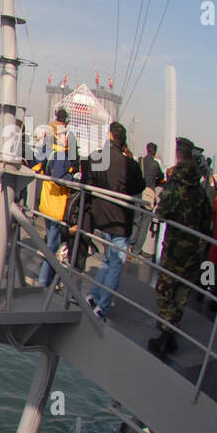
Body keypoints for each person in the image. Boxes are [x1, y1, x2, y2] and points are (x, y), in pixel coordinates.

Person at [149, 138, 212, 357]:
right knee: (181, 293)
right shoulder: (199, 190)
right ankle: (171, 332)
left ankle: (166, 333)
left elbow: (162, 213)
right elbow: (207, 223)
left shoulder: (175, 185)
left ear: (177, 154)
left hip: (175, 249)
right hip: (193, 253)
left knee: (165, 289)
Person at [79, 122, 145, 320]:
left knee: (108, 261)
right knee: (115, 265)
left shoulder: (98, 157)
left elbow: (88, 181)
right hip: (121, 221)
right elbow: (139, 186)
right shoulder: (130, 164)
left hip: (102, 217)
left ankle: (93, 295)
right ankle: (102, 306)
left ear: (110, 136)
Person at [31, 108, 78, 287]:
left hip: (47, 200)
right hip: (57, 205)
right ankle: (45, 280)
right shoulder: (61, 154)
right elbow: (60, 177)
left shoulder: (48, 142)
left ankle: (48, 279)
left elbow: (38, 164)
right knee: (52, 244)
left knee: (52, 240)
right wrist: (72, 178)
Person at [130, 142, 165, 254]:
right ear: (154, 152)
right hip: (149, 197)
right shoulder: (155, 164)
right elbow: (161, 176)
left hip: (138, 194)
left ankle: (129, 244)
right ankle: (136, 250)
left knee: (136, 221)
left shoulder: (140, 161)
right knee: (145, 225)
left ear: (147, 150)